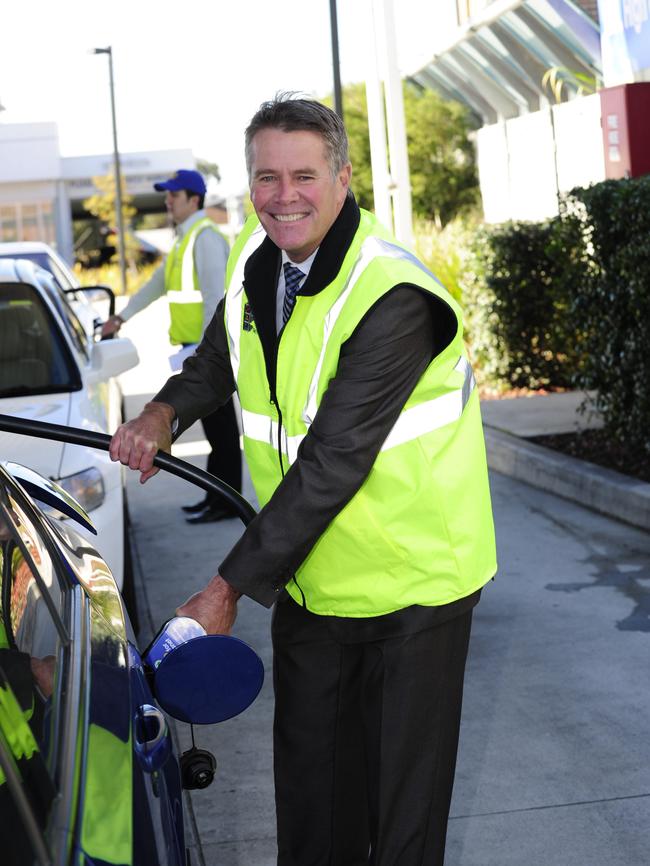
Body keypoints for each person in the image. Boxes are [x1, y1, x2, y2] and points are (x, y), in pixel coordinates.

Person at [109, 95, 497, 865]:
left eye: (304, 176)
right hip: (317, 582)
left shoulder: (392, 297)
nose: (284, 196)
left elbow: (333, 461)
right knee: (312, 803)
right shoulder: (264, 268)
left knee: (400, 823)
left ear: (343, 178)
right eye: (266, 177)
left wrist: (224, 590)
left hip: (415, 590)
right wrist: (162, 414)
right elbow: (219, 357)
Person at [102, 169, 242, 522]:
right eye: (167, 195)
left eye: (173, 195)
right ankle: (216, 498)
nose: (167, 201)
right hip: (196, 351)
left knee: (223, 433)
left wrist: (208, 354)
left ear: (193, 199)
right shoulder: (185, 238)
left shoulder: (205, 237)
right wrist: (121, 317)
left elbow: (216, 299)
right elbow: (155, 285)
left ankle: (225, 502)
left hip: (209, 356)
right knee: (215, 431)